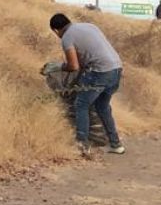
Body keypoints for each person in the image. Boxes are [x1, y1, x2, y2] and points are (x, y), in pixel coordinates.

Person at [49, 13, 126, 157]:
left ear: (56, 30)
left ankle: (82, 146)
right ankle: (116, 144)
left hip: (100, 72)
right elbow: (91, 54)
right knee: (102, 107)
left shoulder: (67, 37)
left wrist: (58, 66)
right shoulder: (90, 26)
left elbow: (74, 66)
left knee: (81, 104)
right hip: (117, 69)